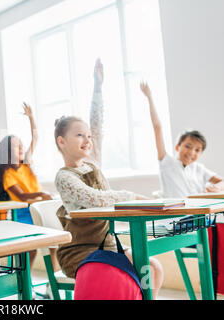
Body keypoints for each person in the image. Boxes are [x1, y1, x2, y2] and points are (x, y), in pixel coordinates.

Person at [54, 59, 163, 298]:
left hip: (108, 246)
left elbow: (97, 123)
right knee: (114, 273)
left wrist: (97, 87)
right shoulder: (64, 177)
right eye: (79, 135)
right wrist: (130, 195)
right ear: (62, 142)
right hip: (80, 252)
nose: (87, 139)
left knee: (152, 268)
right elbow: (93, 198)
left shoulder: (93, 163)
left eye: (89, 136)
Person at [0, 102, 55, 270]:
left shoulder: (26, 164)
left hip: (38, 207)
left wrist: (31, 118)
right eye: (15, 146)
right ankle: (25, 280)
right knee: (29, 250)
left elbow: (36, 138)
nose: (20, 148)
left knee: (50, 246)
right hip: (23, 211)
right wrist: (42, 193)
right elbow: (22, 196)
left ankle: (48, 283)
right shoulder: (8, 173)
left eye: (21, 145)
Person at [140, 82, 224, 197]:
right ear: (177, 147)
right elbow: (157, 128)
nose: (191, 152)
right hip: (177, 214)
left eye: (197, 150)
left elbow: (222, 181)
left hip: (199, 214)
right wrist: (149, 97)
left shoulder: (199, 169)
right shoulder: (167, 162)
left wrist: (216, 187)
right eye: (188, 146)